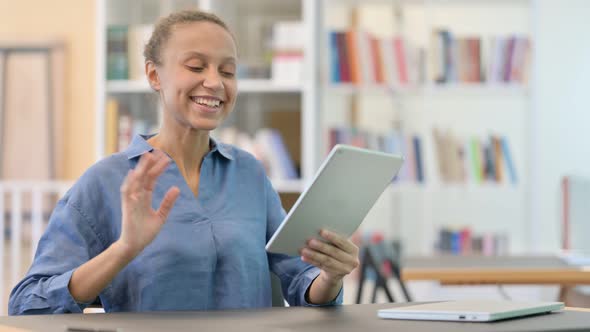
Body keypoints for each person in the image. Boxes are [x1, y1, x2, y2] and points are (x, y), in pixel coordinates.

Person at [8, 10, 359, 314]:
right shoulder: (105, 181)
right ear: (154, 75)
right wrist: (123, 250)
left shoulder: (249, 173)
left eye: (227, 71)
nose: (214, 82)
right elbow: (28, 304)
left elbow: (301, 284)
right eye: (195, 66)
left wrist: (330, 276)